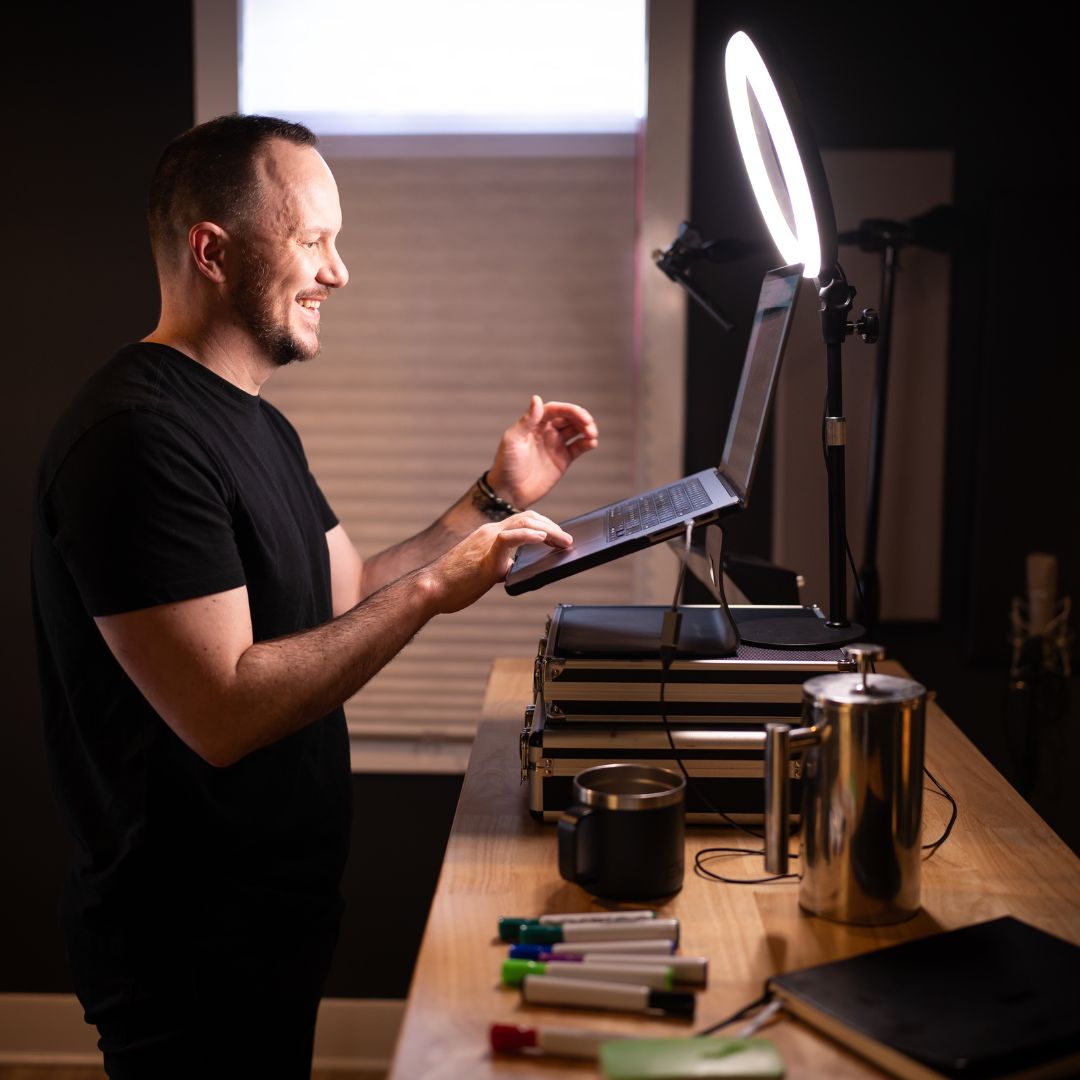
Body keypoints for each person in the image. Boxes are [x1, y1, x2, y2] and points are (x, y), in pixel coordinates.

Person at [31, 114, 598, 1079]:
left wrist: (492, 497)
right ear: (214, 250)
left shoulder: (255, 424)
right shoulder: (135, 439)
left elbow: (341, 595)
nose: (339, 271)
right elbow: (224, 709)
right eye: (314, 239)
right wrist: (431, 595)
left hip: (273, 917)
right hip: (186, 945)